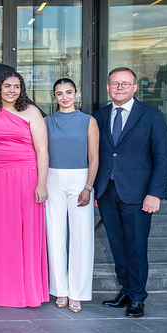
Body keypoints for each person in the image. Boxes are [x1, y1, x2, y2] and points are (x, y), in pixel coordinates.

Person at [93, 67, 167, 318]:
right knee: (117, 244)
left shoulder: (152, 116)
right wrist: (93, 189)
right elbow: (95, 156)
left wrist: (155, 193)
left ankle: (137, 296)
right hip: (107, 191)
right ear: (107, 88)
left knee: (136, 246)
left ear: (135, 87)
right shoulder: (99, 116)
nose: (120, 88)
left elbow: (162, 158)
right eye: (115, 84)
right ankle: (125, 291)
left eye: (125, 84)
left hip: (138, 194)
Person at [0, 72, 49, 308]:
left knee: (23, 231)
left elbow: (42, 150)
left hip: (25, 175)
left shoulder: (32, 112)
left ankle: (24, 290)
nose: (12, 90)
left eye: (17, 86)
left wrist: (41, 183)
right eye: (7, 85)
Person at [44, 78, 99, 314]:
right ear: (54, 96)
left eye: (69, 92)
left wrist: (88, 187)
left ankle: (78, 292)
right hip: (52, 177)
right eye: (59, 93)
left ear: (76, 94)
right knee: (54, 234)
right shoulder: (46, 122)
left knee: (82, 236)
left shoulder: (89, 121)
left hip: (80, 178)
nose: (64, 97)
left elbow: (94, 157)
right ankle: (61, 290)